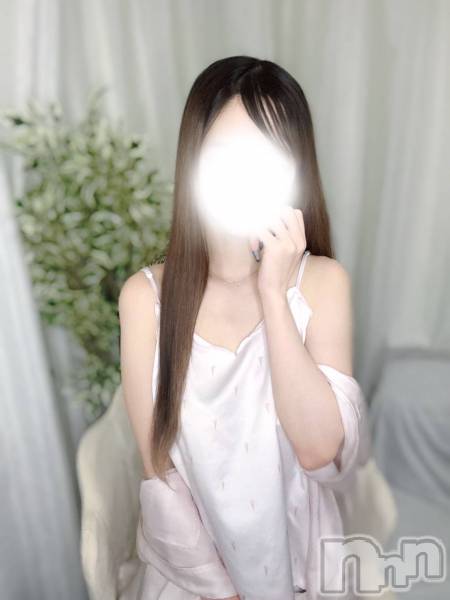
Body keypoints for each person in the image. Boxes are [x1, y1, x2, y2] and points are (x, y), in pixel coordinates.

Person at [119, 56, 366, 600]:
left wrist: (273, 292)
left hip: (306, 571)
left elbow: (320, 452)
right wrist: (225, 593)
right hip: (192, 580)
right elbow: (160, 475)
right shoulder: (146, 299)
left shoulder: (322, 283)